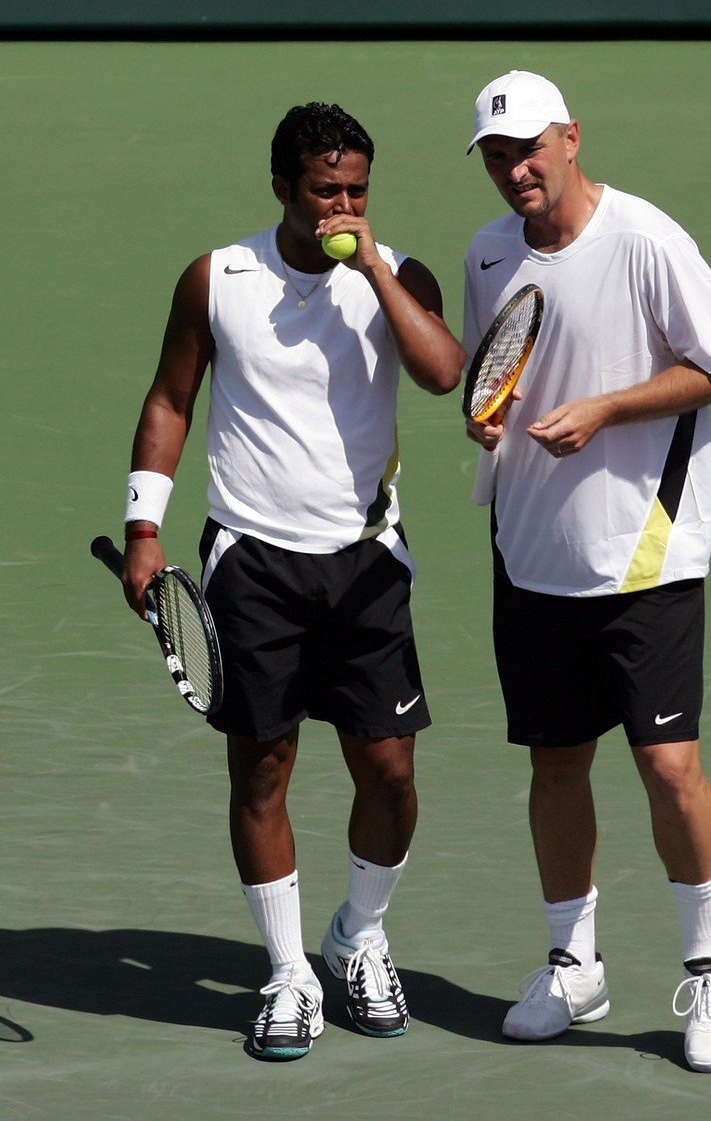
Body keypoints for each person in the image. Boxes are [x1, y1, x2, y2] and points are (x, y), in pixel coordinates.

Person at [120, 102, 465, 1060]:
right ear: (282, 187)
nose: (341, 205)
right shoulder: (218, 279)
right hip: (253, 561)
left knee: (390, 773)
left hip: (365, 563)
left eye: (355, 188)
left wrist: (373, 270)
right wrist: (143, 526)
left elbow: (443, 373)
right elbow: (170, 398)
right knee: (263, 767)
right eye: (323, 190)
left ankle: (358, 936)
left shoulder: (398, 272)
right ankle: (285, 975)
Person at [462, 70, 711, 1072]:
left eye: (531, 146)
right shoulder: (488, 253)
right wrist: (489, 416)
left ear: (572, 138)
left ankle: (708, 972)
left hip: (646, 552)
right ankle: (570, 960)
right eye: (497, 155)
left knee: (669, 769)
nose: (516, 168)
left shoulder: (646, 239)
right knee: (554, 763)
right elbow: (494, 374)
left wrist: (602, 409)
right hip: (528, 551)